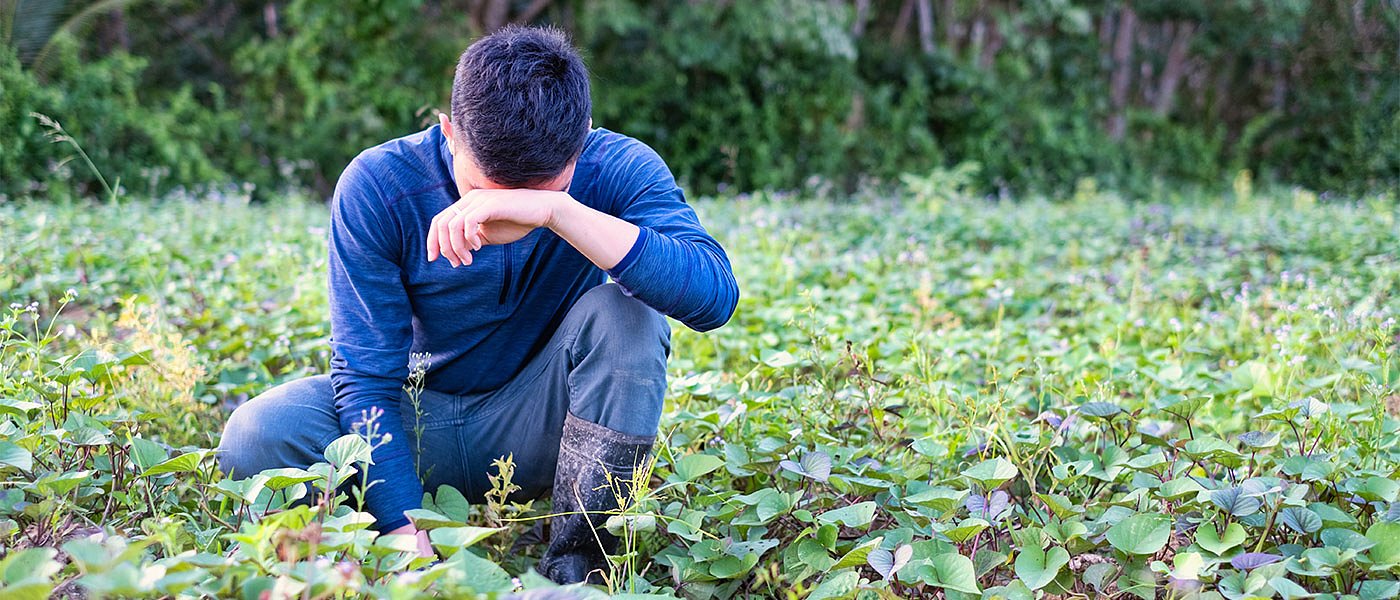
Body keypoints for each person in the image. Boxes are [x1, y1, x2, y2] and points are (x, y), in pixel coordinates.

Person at [215, 25, 738, 584]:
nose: (500, 212)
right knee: (257, 432)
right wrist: (402, 532)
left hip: (544, 425)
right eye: (484, 186)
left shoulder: (615, 167)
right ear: (448, 130)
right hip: (417, 418)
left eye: (531, 192)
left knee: (627, 315)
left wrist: (560, 213)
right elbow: (365, 377)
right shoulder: (380, 183)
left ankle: (577, 567)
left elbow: (712, 296)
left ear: (581, 140)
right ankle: (346, 552)